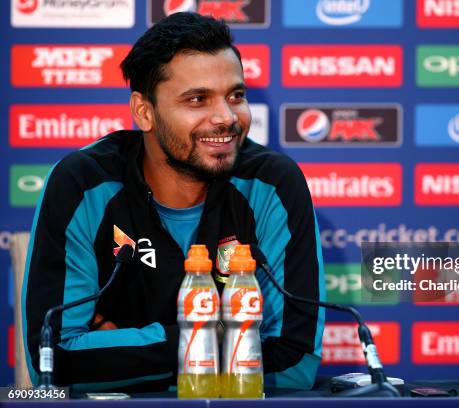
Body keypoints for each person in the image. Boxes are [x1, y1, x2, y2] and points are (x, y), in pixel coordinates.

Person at [22, 12, 325, 392]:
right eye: (198, 99)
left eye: (236, 95)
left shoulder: (273, 185)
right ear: (144, 112)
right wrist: (217, 339)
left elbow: (294, 362)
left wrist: (120, 347)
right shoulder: (83, 184)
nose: (227, 117)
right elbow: (53, 362)